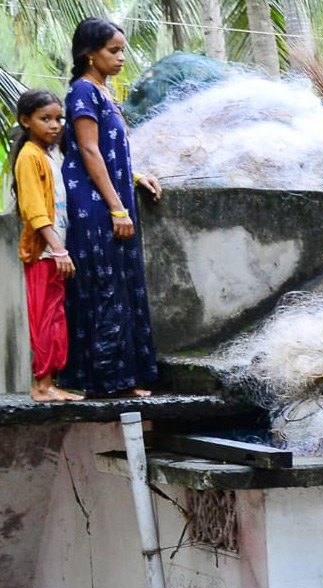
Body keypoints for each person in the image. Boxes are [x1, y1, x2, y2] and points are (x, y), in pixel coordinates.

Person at [61, 18, 162, 398]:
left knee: (121, 283)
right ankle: (106, 379)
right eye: (113, 51)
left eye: (122, 50)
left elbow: (111, 151)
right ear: (90, 55)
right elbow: (88, 149)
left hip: (113, 196)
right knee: (102, 285)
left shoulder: (105, 93)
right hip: (95, 203)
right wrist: (118, 208)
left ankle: (124, 376)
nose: (121, 57)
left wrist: (136, 178)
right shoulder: (83, 92)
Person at [12, 89, 82, 403]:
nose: (55, 125)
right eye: (45, 119)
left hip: (53, 250)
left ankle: (49, 383)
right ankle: (41, 386)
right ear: (25, 121)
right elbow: (33, 209)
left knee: (55, 316)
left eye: (58, 118)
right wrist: (58, 248)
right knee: (45, 317)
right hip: (44, 252)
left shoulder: (47, 156)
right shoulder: (29, 156)